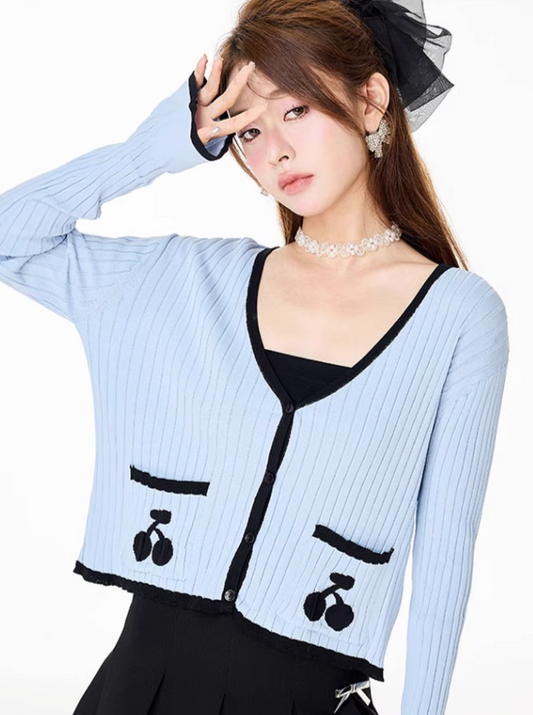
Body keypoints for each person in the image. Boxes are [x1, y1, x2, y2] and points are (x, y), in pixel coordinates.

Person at [0, 1, 510, 715]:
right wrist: (155, 149)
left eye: (295, 110)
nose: (273, 151)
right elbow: (11, 240)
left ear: (370, 101)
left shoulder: (457, 315)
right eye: (247, 129)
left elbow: (445, 561)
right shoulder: (185, 282)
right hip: (142, 691)